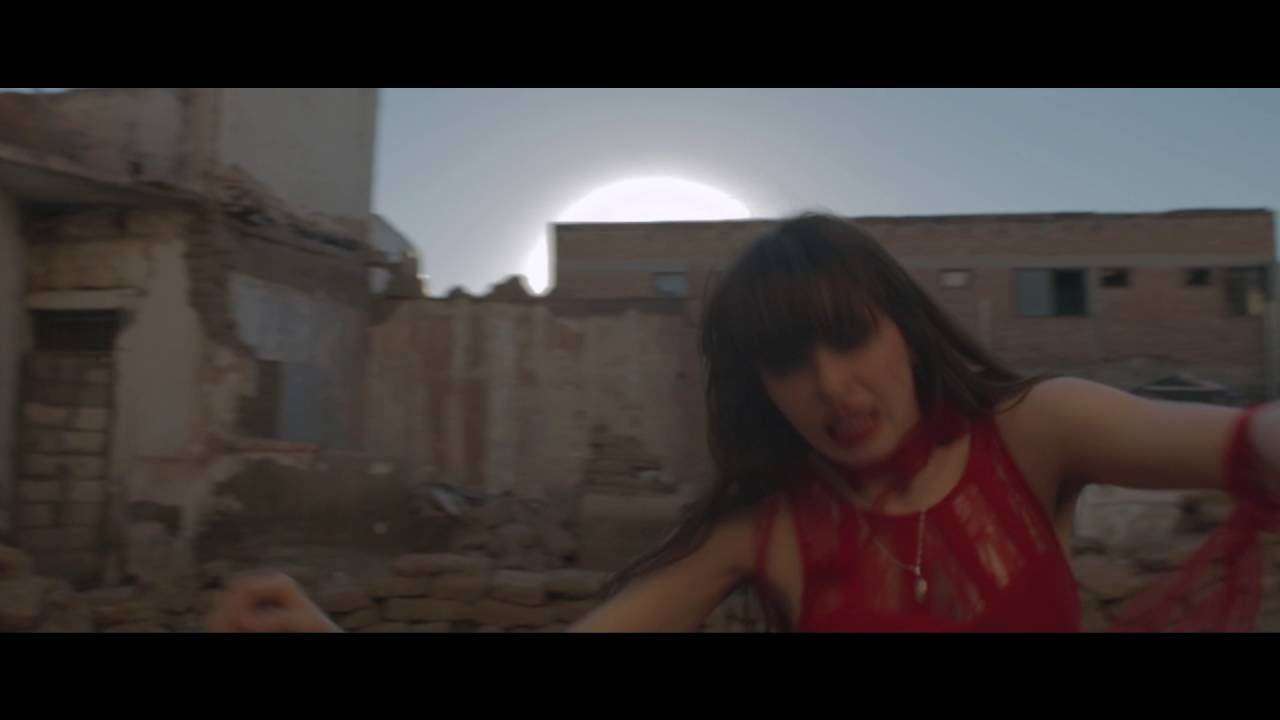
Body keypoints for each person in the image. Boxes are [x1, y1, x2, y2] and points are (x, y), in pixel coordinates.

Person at [208, 213, 1280, 633]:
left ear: (903, 330)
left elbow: (1240, 442)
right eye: (787, 361)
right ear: (759, 386)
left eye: (848, 338)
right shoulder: (765, 531)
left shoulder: (1036, 431)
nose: (831, 386)